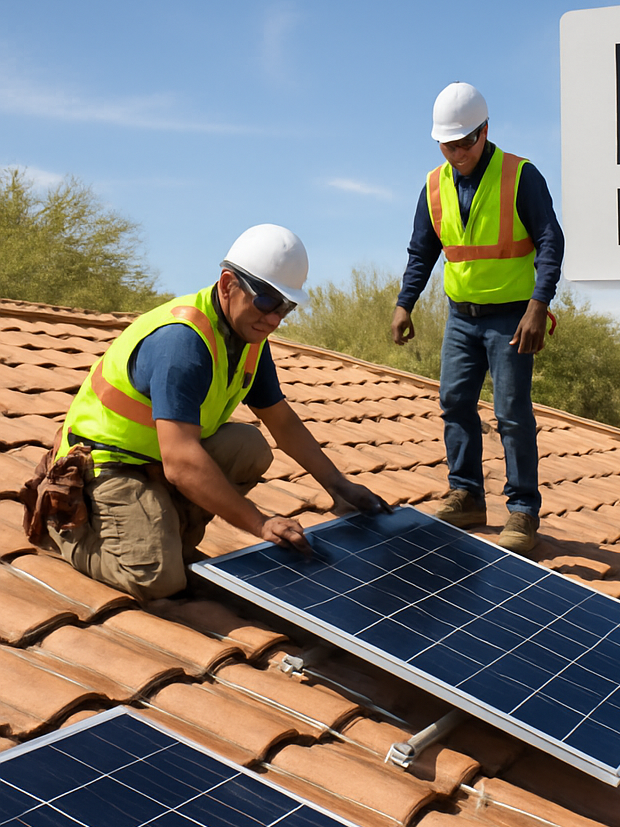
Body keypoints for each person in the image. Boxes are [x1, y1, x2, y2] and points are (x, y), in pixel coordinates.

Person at [28, 223, 389, 602]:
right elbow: (181, 463)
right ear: (228, 284)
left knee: (250, 446)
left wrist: (338, 485)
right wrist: (260, 523)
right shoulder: (180, 344)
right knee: (157, 580)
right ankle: (65, 531)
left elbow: (281, 421)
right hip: (106, 467)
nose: (274, 319)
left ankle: (166, 531)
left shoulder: (249, 337)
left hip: (156, 461)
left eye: (285, 306)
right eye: (266, 301)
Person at [391, 82, 563, 554]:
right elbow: (422, 251)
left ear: (485, 131)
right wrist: (405, 302)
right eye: (449, 144)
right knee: (454, 402)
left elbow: (551, 242)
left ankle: (523, 512)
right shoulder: (433, 185)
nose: (459, 152)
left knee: (511, 414)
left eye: (467, 141)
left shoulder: (521, 176)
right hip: (461, 317)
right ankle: (466, 495)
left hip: (512, 317)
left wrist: (538, 305)